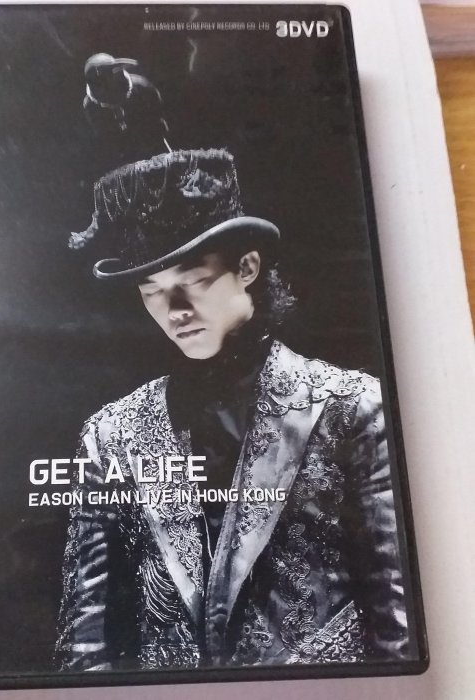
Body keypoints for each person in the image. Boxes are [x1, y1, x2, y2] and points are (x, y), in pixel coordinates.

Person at [55, 146, 411, 671]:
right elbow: (83, 644)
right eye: (152, 291)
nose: (175, 311)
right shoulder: (110, 435)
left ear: (247, 267)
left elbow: (400, 624)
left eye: (193, 281)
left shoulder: (355, 409)